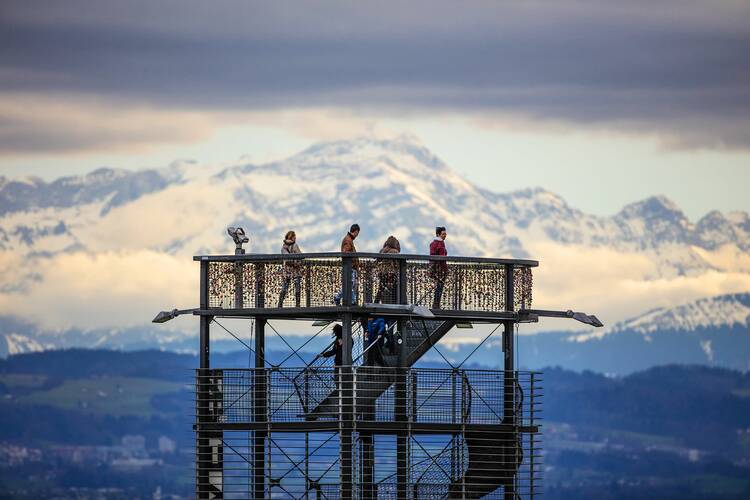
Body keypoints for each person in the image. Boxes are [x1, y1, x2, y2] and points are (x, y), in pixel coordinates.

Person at [334, 224, 360, 305]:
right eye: (357, 233)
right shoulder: (348, 240)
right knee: (350, 284)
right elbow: (346, 252)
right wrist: (353, 262)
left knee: (349, 285)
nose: (357, 235)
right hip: (349, 267)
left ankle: (340, 298)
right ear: (355, 231)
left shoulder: (349, 239)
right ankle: (352, 301)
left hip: (350, 267)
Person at [278, 230, 302, 308]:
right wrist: (296, 262)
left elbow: (286, 258)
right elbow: (300, 256)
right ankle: (297, 305)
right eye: (294, 236)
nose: (295, 238)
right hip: (295, 269)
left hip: (287, 270)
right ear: (292, 237)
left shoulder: (283, 246)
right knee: (297, 287)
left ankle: (280, 304)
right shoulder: (295, 245)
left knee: (285, 287)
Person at [374, 235, 400, 304]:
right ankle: (395, 304)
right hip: (391, 273)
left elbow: (377, 260)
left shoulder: (382, 250)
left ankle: (375, 302)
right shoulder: (395, 251)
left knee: (380, 289)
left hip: (382, 273)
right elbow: (397, 263)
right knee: (395, 289)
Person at [430, 226, 448, 309]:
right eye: (443, 234)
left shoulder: (433, 243)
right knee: (439, 287)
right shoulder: (440, 244)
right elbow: (442, 259)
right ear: (438, 234)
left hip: (435, 268)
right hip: (440, 269)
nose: (445, 235)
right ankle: (436, 305)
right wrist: (446, 270)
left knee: (438, 287)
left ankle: (436, 304)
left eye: (445, 234)